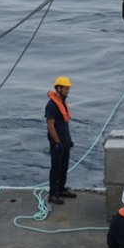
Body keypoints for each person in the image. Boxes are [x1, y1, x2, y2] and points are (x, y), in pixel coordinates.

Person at [45, 76, 76, 205]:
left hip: (65, 140)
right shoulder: (51, 105)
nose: (68, 91)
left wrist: (68, 140)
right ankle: (53, 194)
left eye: (68, 89)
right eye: (66, 89)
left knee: (64, 167)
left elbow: (64, 124)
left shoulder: (62, 102)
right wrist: (57, 142)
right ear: (58, 88)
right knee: (56, 168)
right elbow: (50, 125)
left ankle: (61, 189)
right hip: (57, 142)